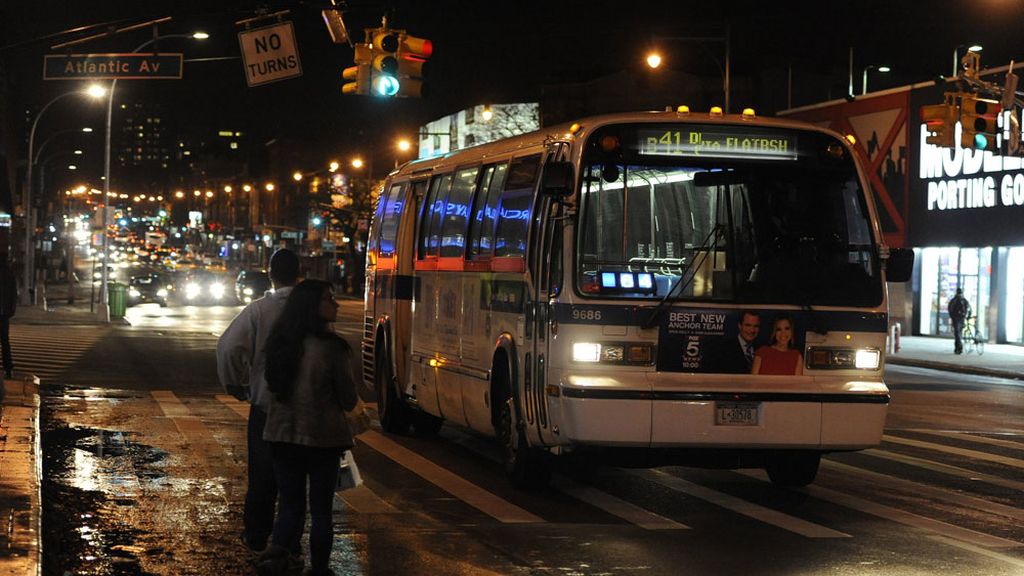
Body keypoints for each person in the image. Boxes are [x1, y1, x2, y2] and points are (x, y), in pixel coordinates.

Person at [255, 279, 357, 576]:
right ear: (314, 307)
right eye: (330, 298)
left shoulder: (280, 343)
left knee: (290, 504)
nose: (336, 304)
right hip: (322, 440)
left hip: (282, 436)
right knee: (322, 510)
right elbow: (349, 399)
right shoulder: (333, 350)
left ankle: (275, 557)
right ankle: (320, 570)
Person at [216, 249, 300, 554]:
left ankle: (257, 536)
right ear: (299, 273)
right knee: (295, 480)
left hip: (266, 407)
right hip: (306, 411)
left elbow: (228, 347)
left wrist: (235, 383)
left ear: (270, 273)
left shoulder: (259, 311)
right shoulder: (310, 311)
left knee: (263, 477)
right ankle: (290, 542)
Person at [0, 253, 18, 380]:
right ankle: (8, 368)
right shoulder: (9, 274)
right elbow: (13, 294)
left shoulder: (8, 273)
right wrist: (11, 310)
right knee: (5, 341)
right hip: (4, 313)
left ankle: (8, 367)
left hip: (4, 312)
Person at [947, 287, 971, 355]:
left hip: (958, 319)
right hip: (959, 319)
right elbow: (968, 308)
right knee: (958, 333)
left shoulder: (955, 300)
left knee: (957, 334)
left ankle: (958, 348)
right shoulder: (963, 300)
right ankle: (958, 348)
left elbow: (950, 309)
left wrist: (952, 317)